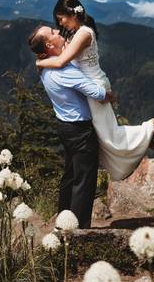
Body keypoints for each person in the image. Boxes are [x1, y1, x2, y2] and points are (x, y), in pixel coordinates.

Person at [36, 0, 154, 180]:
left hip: (94, 86)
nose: (60, 24)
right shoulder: (76, 33)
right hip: (91, 85)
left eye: (61, 19)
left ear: (72, 14)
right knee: (102, 135)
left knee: (109, 136)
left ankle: (149, 130)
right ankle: (148, 137)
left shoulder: (84, 33)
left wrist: (40, 62)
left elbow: (60, 61)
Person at [28, 24, 111, 228]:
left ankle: (62, 220)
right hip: (80, 129)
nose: (58, 32)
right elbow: (97, 93)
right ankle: (78, 231)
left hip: (65, 126)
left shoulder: (45, 65)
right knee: (84, 180)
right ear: (49, 43)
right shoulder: (63, 70)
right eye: (54, 33)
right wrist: (110, 95)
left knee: (71, 176)